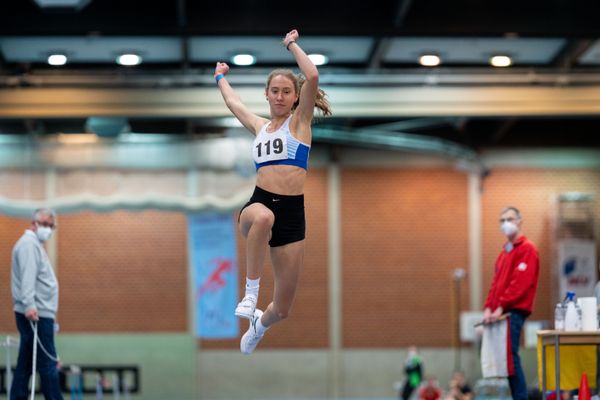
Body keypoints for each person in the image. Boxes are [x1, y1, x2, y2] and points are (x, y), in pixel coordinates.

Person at [214, 29, 332, 354]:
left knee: (282, 309)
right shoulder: (259, 126)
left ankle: (259, 323)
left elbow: (312, 74)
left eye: (286, 92)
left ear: (296, 97)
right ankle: (250, 292)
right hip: (258, 205)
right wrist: (219, 77)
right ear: (266, 95)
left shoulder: (301, 124)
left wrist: (291, 45)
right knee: (264, 216)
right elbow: (232, 102)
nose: (279, 97)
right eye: (274, 91)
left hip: (293, 215)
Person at [483, 206, 540, 400]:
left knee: (510, 358)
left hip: (513, 311)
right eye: (502, 220)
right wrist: (488, 308)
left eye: (510, 218)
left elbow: (520, 285)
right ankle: (518, 396)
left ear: (520, 221)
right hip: (501, 312)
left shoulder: (527, 249)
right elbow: (496, 284)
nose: (506, 223)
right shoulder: (504, 253)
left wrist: (501, 307)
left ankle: (521, 397)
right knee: (505, 360)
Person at [10, 208, 63, 400]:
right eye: (46, 224)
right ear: (34, 223)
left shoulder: (33, 245)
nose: (48, 229)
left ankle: (17, 397)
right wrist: (30, 305)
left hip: (38, 312)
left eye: (51, 226)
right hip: (37, 313)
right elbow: (28, 277)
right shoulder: (29, 245)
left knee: (26, 363)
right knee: (48, 363)